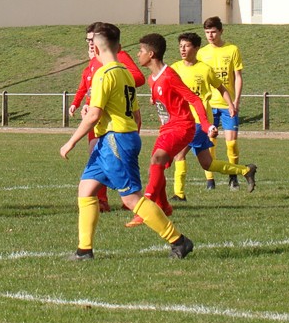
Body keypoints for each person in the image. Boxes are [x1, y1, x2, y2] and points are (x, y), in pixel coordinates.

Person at [59, 23, 193, 260]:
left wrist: (70, 142)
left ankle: (179, 240)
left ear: (97, 50)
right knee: (86, 189)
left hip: (114, 140)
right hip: (112, 140)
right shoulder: (125, 73)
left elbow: (93, 115)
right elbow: (136, 113)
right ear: (119, 47)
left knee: (131, 198)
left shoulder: (104, 74)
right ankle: (84, 250)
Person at [170, 32, 258, 200]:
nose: (182, 49)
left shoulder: (204, 69)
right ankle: (246, 170)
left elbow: (221, 88)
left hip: (198, 122)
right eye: (180, 46)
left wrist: (231, 104)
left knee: (179, 154)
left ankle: (179, 194)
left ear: (196, 48)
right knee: (207, 163)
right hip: (184, 120)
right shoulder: (175, 68)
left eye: (186, 46)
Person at [69, 22, 146, 213]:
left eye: (92, 39)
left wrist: (70, 142)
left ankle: (171, 232)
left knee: (126, 188)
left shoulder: (115, 62)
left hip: (114, 125)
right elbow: (86, 86)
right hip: (102, 122)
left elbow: (137, 78)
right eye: (87, 39)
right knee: (91, 174)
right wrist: (79, 103)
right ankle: (100, 203)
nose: (89, 43)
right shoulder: (93, 64)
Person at [197, 16, 244, 190]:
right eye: (207, 32)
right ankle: (210, 181)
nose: (210, 35)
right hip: (209, 105)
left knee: (231, 143)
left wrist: (236, 100)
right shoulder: (202, 53)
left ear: (221, 31)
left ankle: (233, 177)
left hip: (227, 105)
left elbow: (238, 76)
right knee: (210, 143)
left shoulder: (232, 50)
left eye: (213, 32)